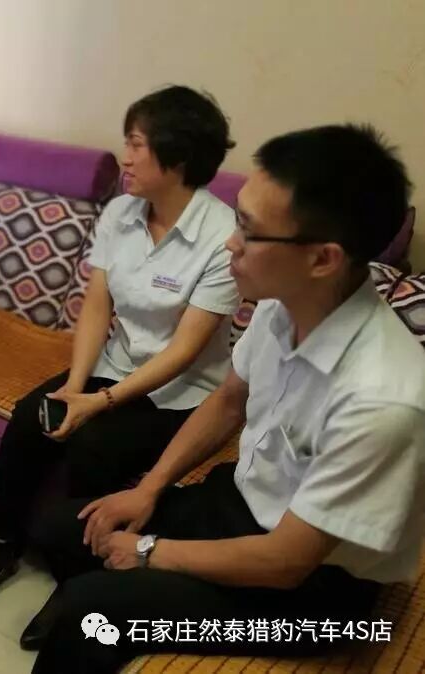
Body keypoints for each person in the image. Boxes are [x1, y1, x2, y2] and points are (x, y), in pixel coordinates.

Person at [31, 124, 425, 673]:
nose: (229, 244)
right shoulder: (283, 302)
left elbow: (286, 563)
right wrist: (148, 489)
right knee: (60, 527)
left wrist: (149, 551)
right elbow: (228, 401)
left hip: (317, 595)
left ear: (323, 259)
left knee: (90, 613)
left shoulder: (383, 401)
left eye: (249, 230)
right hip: (239, 505)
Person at [0, 85, 240, 649]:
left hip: (179, 393)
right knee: (31, 416)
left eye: (137, 145)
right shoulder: (121, 212)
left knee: (93, 447)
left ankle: (75, 581)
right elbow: (97, 307)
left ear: (177, 158)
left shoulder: (221, 238)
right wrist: (76, 388)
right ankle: (2, 543)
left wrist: (98, 404)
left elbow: (184, 351)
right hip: (113, 366)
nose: (124, 158)